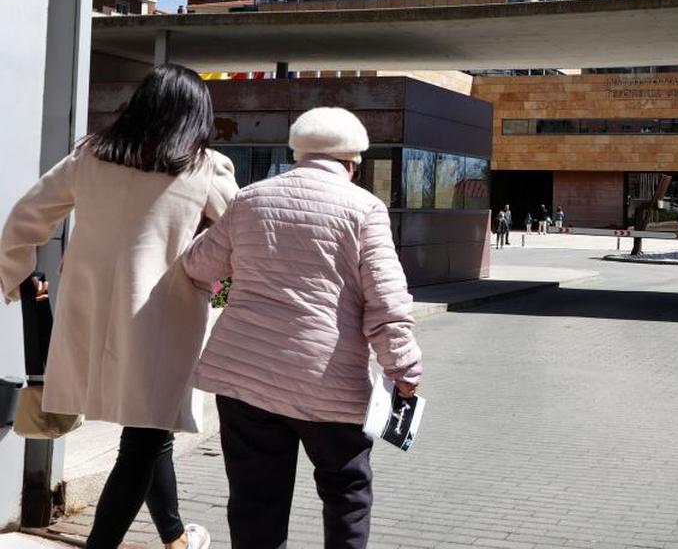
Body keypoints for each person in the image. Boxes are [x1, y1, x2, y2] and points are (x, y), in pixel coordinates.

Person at [0, 64, 237, 549]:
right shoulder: (203, 166)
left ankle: (174, 538)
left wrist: (18, 277)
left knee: (151, 432)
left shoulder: (91, 154)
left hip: (89, 315)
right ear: (195, 114)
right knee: (146, 435)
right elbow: (247, 230)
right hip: (163, 317)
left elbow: (25, 216)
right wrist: (202, 264)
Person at [182, 107, 422, 549]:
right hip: (327, 384)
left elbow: (198, 265)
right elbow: (386, 302)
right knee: (346, 493)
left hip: (245, 380)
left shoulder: (250, 198)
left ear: (298, 153)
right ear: (353, 162)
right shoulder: (364, 208)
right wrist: (403, 370)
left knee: (256, 502)